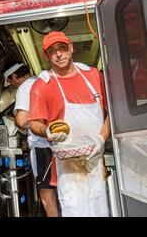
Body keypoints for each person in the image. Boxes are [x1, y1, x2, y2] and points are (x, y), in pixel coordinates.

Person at [28, 31, 110, 217]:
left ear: (71, 48)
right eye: (52, 51)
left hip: (96, 161)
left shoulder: (94, 76)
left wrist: (101, 138)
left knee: (101, 210)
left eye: (62, 48)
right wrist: (47, 131)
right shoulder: (42, 85)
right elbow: (34, 123)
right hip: (68, 168)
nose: (59, 54)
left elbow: (110, 114)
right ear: (46, 56)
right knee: (76, 211)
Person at [3, 62, 59, 217]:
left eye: (11, 81)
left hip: (43, 147)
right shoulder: (44, 81)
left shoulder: (25, 87)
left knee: (47, 192)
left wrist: (15, 122)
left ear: (14, 76)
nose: (12, 85)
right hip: (60, 144)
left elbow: (21, 121)